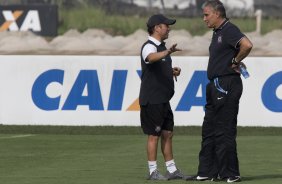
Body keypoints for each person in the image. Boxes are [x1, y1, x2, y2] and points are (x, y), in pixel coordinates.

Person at [187, 0, 253, 183]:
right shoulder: (218, 32)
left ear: (217, 14)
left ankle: (231, 173)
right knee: (209, 129)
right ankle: (207, 171)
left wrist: (235, 61)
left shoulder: (229, 29)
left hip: (226, 83)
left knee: (224, 130)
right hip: (215, 84)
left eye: (206, 14)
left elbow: (247, 45)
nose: (204, 18)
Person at [139, 14, 187, 180]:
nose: (169, 28)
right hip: (152, 100)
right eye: (166, 25)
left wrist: (171, 71)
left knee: (167, 134)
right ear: (157, 28)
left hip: (163, 100)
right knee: (154, 135)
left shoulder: (160, 47)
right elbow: (150, 58)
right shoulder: (149, 46)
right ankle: (153, 171)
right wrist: (167, 52)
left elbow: (158, 65)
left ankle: (172, 170)